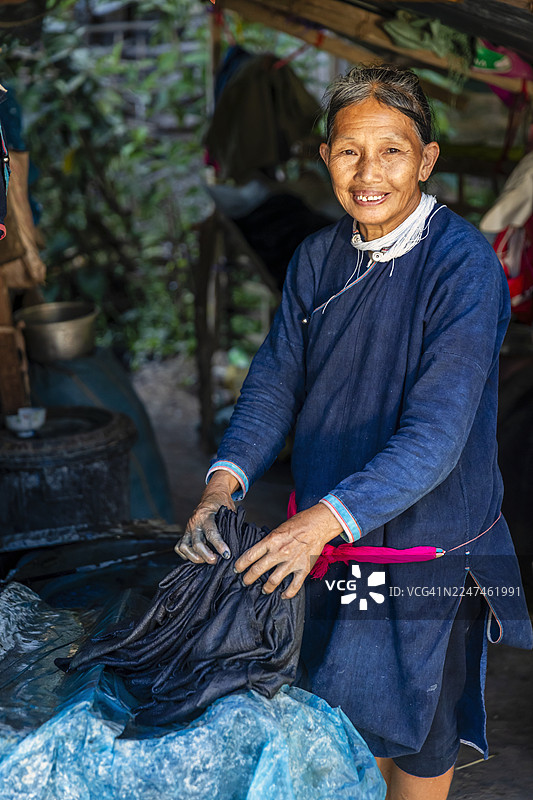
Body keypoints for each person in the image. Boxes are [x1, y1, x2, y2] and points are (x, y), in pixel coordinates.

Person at [176, 66, 533, 800]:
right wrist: (222, 483)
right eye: (348, 152)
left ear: (425, 159)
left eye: (391, 151)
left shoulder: (462, 268)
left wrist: (318, 522)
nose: (368, 173)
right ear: (324, 157)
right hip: (345, 544)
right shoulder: (317, 257)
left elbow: (436, 435)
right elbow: (276, 380)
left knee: (420, 731)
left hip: (429, 550)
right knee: (343, 706)